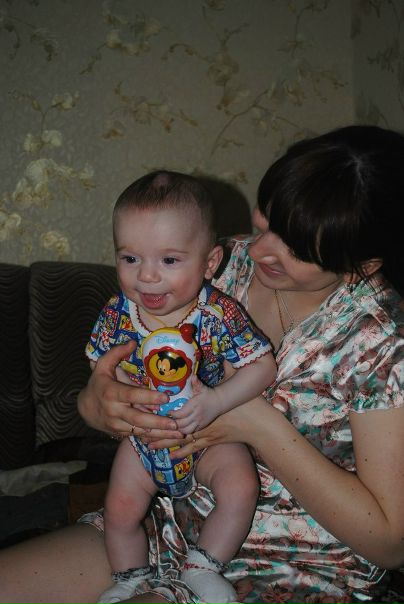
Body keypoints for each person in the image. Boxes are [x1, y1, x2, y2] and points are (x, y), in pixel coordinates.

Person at [0, 124, 403, 604]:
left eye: (294, 249)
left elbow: (389, 543)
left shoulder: (381, 343)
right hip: (162, 520)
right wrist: (97, 403)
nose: (258, 250)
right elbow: (117, 379)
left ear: (364, 264)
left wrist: (259, 425)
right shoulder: (217, 263)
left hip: (292, 566)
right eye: (265, 222)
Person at [86, 170, 276, 604]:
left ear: (209, 263)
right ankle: (129, 577)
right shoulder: (117, 313)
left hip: (207, 432)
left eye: (169, 260)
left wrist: (217, 401)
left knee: (240, 488)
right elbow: (99, 364)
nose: (147, 277)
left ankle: (203, 565)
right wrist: (114, 387)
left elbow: (262, 367)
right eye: (130, 258)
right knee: (119, 508)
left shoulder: (218, 313)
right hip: (145, 438)